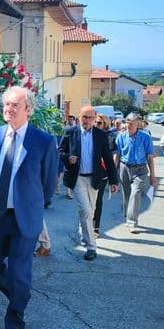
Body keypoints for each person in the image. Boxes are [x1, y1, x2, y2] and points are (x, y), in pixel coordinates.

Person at [0, 86, 57, 329]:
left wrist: (31, 205)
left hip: (24, 217)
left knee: (18, 270)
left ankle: (15, 322)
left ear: (29, 110)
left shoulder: (44, 141)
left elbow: (48, 185)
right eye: (6, 104)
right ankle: (20, 295)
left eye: (15, 105)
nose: (9, 109)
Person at [59, 106, 119, 261]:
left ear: (94, 118)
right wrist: (67, 158)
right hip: (77, 178)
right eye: (84, 117)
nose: (87, 121)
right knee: (85, 210)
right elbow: (60, 151)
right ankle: (91, 247)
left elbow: (107, 158)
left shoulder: (100, 135)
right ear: (79, 117)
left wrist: (113, 180)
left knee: (89, 212)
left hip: (94, 179)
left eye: (90, 118)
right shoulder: (71, 131)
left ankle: (82, 230)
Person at [114, 113, 159, 233]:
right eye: (127, 121)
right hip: (124, 168)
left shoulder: (145, 137)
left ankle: (132, 222)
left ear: (138, 124)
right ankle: (128, 215)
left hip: (140, 169)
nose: (128, 124)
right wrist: (113, 172)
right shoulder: (121, 137)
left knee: (136, 192)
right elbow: (117, 155)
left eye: (131, 122)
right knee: (127, 195)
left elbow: (150, 157)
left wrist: (153, 176)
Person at [92, 114, 117, 238]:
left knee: (97, 200)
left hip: (102, 173)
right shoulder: (89, 135)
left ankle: (96, 227)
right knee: (86, 202)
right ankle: (85, 225)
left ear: (105, 125)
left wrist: (114, 180)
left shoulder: (109, 138)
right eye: (95, 122)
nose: (96, 125)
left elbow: (111, 159)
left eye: (99, 123)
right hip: (88, 173)